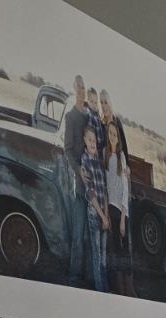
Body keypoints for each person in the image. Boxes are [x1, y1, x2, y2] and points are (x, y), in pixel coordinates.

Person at [61, 75, 90, 286]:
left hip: (94, 183)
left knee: (92, 232)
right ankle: (74, 277)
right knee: (78, 233)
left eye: (83, 87)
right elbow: (68, 149)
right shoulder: (71, 117)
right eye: (78, 87)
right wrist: (79, 171)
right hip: (80, 182)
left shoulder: (90, 116)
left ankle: (90, 278)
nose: (81, 90)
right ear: (74, 89)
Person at [78, 123, 110, 292]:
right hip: (94, 212)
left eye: (94, 140)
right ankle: (100, 290)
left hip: (103, 212)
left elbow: (104, 189)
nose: (92, 143)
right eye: (89, 140)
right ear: (85, 140)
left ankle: (105, 287)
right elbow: (90, 193)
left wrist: (107, 215)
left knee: (104, 254)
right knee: (97, 254)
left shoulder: (98, 162)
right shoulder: (85, 161)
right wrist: (102, 216)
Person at [104, 118, 133, 295]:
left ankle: (129, 288)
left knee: (124, 251)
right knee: (115, 248)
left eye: (115, 134)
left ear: (118, 137)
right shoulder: (106, 155)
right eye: (110, 133)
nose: (112, 136)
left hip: (122, 210)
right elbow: (107, 187)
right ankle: (120, 288)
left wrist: (122, 218)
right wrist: (107, 213)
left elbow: (125, 187)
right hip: (111, 207)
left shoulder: (121, 156)